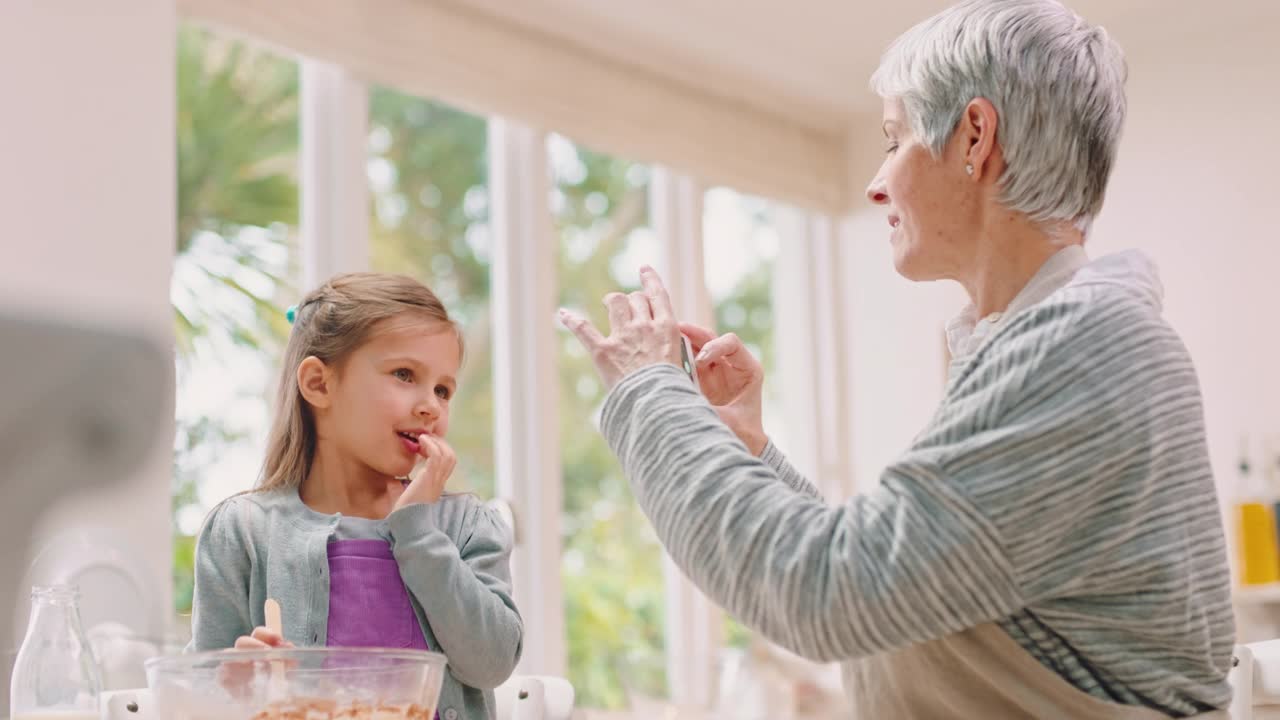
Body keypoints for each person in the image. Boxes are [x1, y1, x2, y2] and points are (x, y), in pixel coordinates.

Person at [559, 0, 1235, 716]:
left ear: (975, 136)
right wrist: (751, 452)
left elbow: (824, 596)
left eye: (894, 139)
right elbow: (893, 598)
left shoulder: (1088, 350)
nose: (876, 182)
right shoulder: (1044, 347)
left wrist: (649, 390)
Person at [190, 272, 522, 720]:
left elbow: (493, 661)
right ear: (319, 384)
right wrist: (232, 687)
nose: (431, 405)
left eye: (443, 389)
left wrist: (418, 533)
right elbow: (199, 697)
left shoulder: (465, 526)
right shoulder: (243, 532)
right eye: (404, 375)